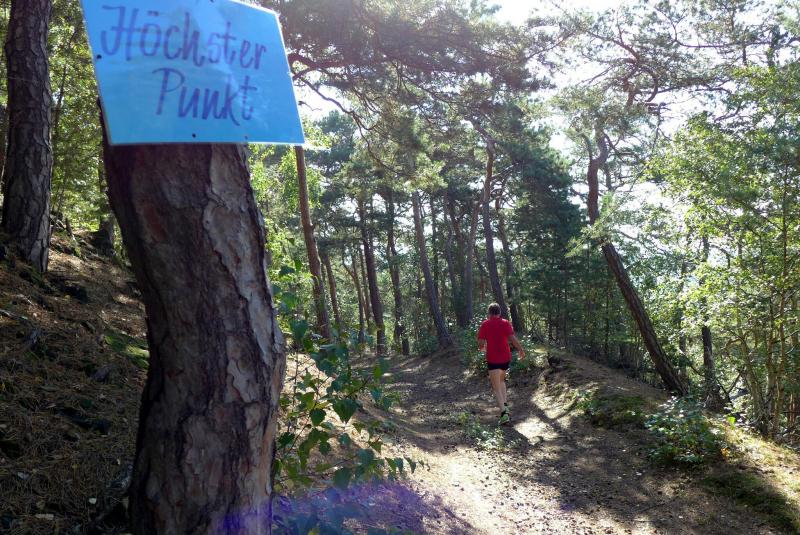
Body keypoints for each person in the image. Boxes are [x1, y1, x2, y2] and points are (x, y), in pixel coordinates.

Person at [477, 303, 525, 425]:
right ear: (499, 312)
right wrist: (520, 349)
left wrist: (482, 348)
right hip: (505, 358)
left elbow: (481, 342)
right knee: (501, 381)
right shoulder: (505, 323)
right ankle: (505, 407)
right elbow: (513, 339)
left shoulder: (485, 324)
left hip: (493, 358)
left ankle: (504, 414)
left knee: (496, 387)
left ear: (489, 313)